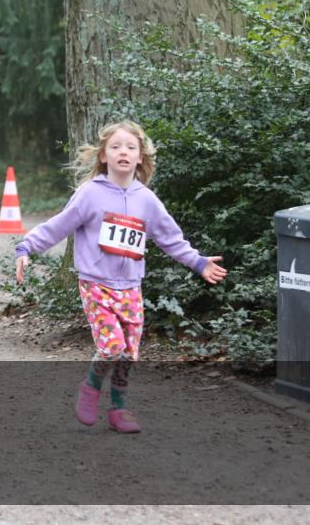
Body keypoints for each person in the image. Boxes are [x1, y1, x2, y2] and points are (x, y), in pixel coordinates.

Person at [14, 121, 227, 433]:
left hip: (130, 287)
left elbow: (170, 238)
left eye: (130, 147)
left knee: (129, 353)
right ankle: (90, 387)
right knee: (112, 346)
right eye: (115, 147)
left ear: (140, 157)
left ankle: (119, 409)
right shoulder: (90, 194)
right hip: (95, 284)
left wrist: (197, 262)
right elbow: (59, 225)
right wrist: (27, 247)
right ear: (103, 155)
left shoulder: (147, 200)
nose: (123, 152)